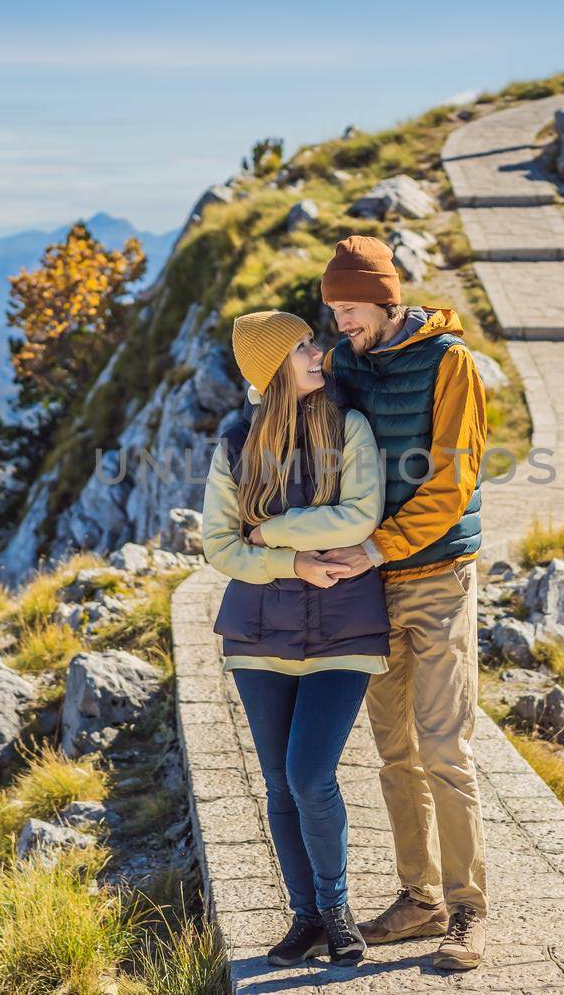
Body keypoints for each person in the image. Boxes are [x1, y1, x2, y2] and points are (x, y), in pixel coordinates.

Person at [312, 235, 490, 971]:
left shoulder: (453, 363)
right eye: (332, 312)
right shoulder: (346, 361)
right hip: (369, 587)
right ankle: (420, 899)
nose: (340, 325)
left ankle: (469, 908)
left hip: (438, 575)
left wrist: (377, 545)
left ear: (385, 299)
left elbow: (451, 484)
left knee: (446, 746)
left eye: (349, 310)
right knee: (394, 751)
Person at [201, 309, 389, 968]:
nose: (319, 351)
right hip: (258, 630)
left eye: (314, 340)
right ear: (273, 367)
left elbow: (359, 514)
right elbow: (219, 544)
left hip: (344, 625)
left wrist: (272, 530)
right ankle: (305, 917)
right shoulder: (234, 442)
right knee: (280, 783)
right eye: (304, 345)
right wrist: (293, 560)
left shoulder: (350, 426)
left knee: (312, 774)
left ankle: (337, 908)